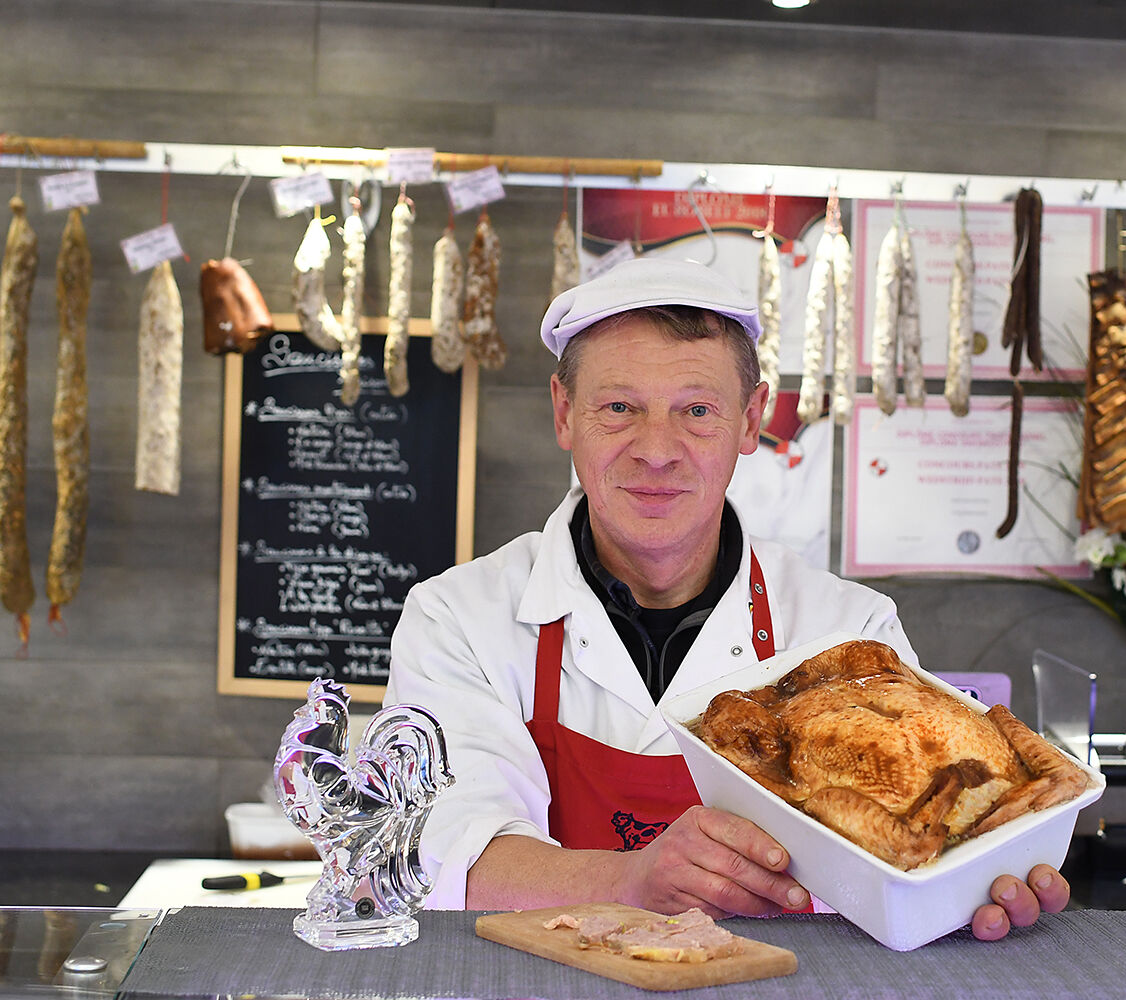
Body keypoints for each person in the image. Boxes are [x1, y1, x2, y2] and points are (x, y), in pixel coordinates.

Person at [384, 257, 1069, 940]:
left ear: (751, 420)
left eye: (698, 411)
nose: (657, 450)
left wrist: (963, 883)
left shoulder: (849, 631)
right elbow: (438, 858)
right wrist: (631, 881)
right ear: (565, 414)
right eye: (619, 407)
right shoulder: (457, 620)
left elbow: (898, 860)